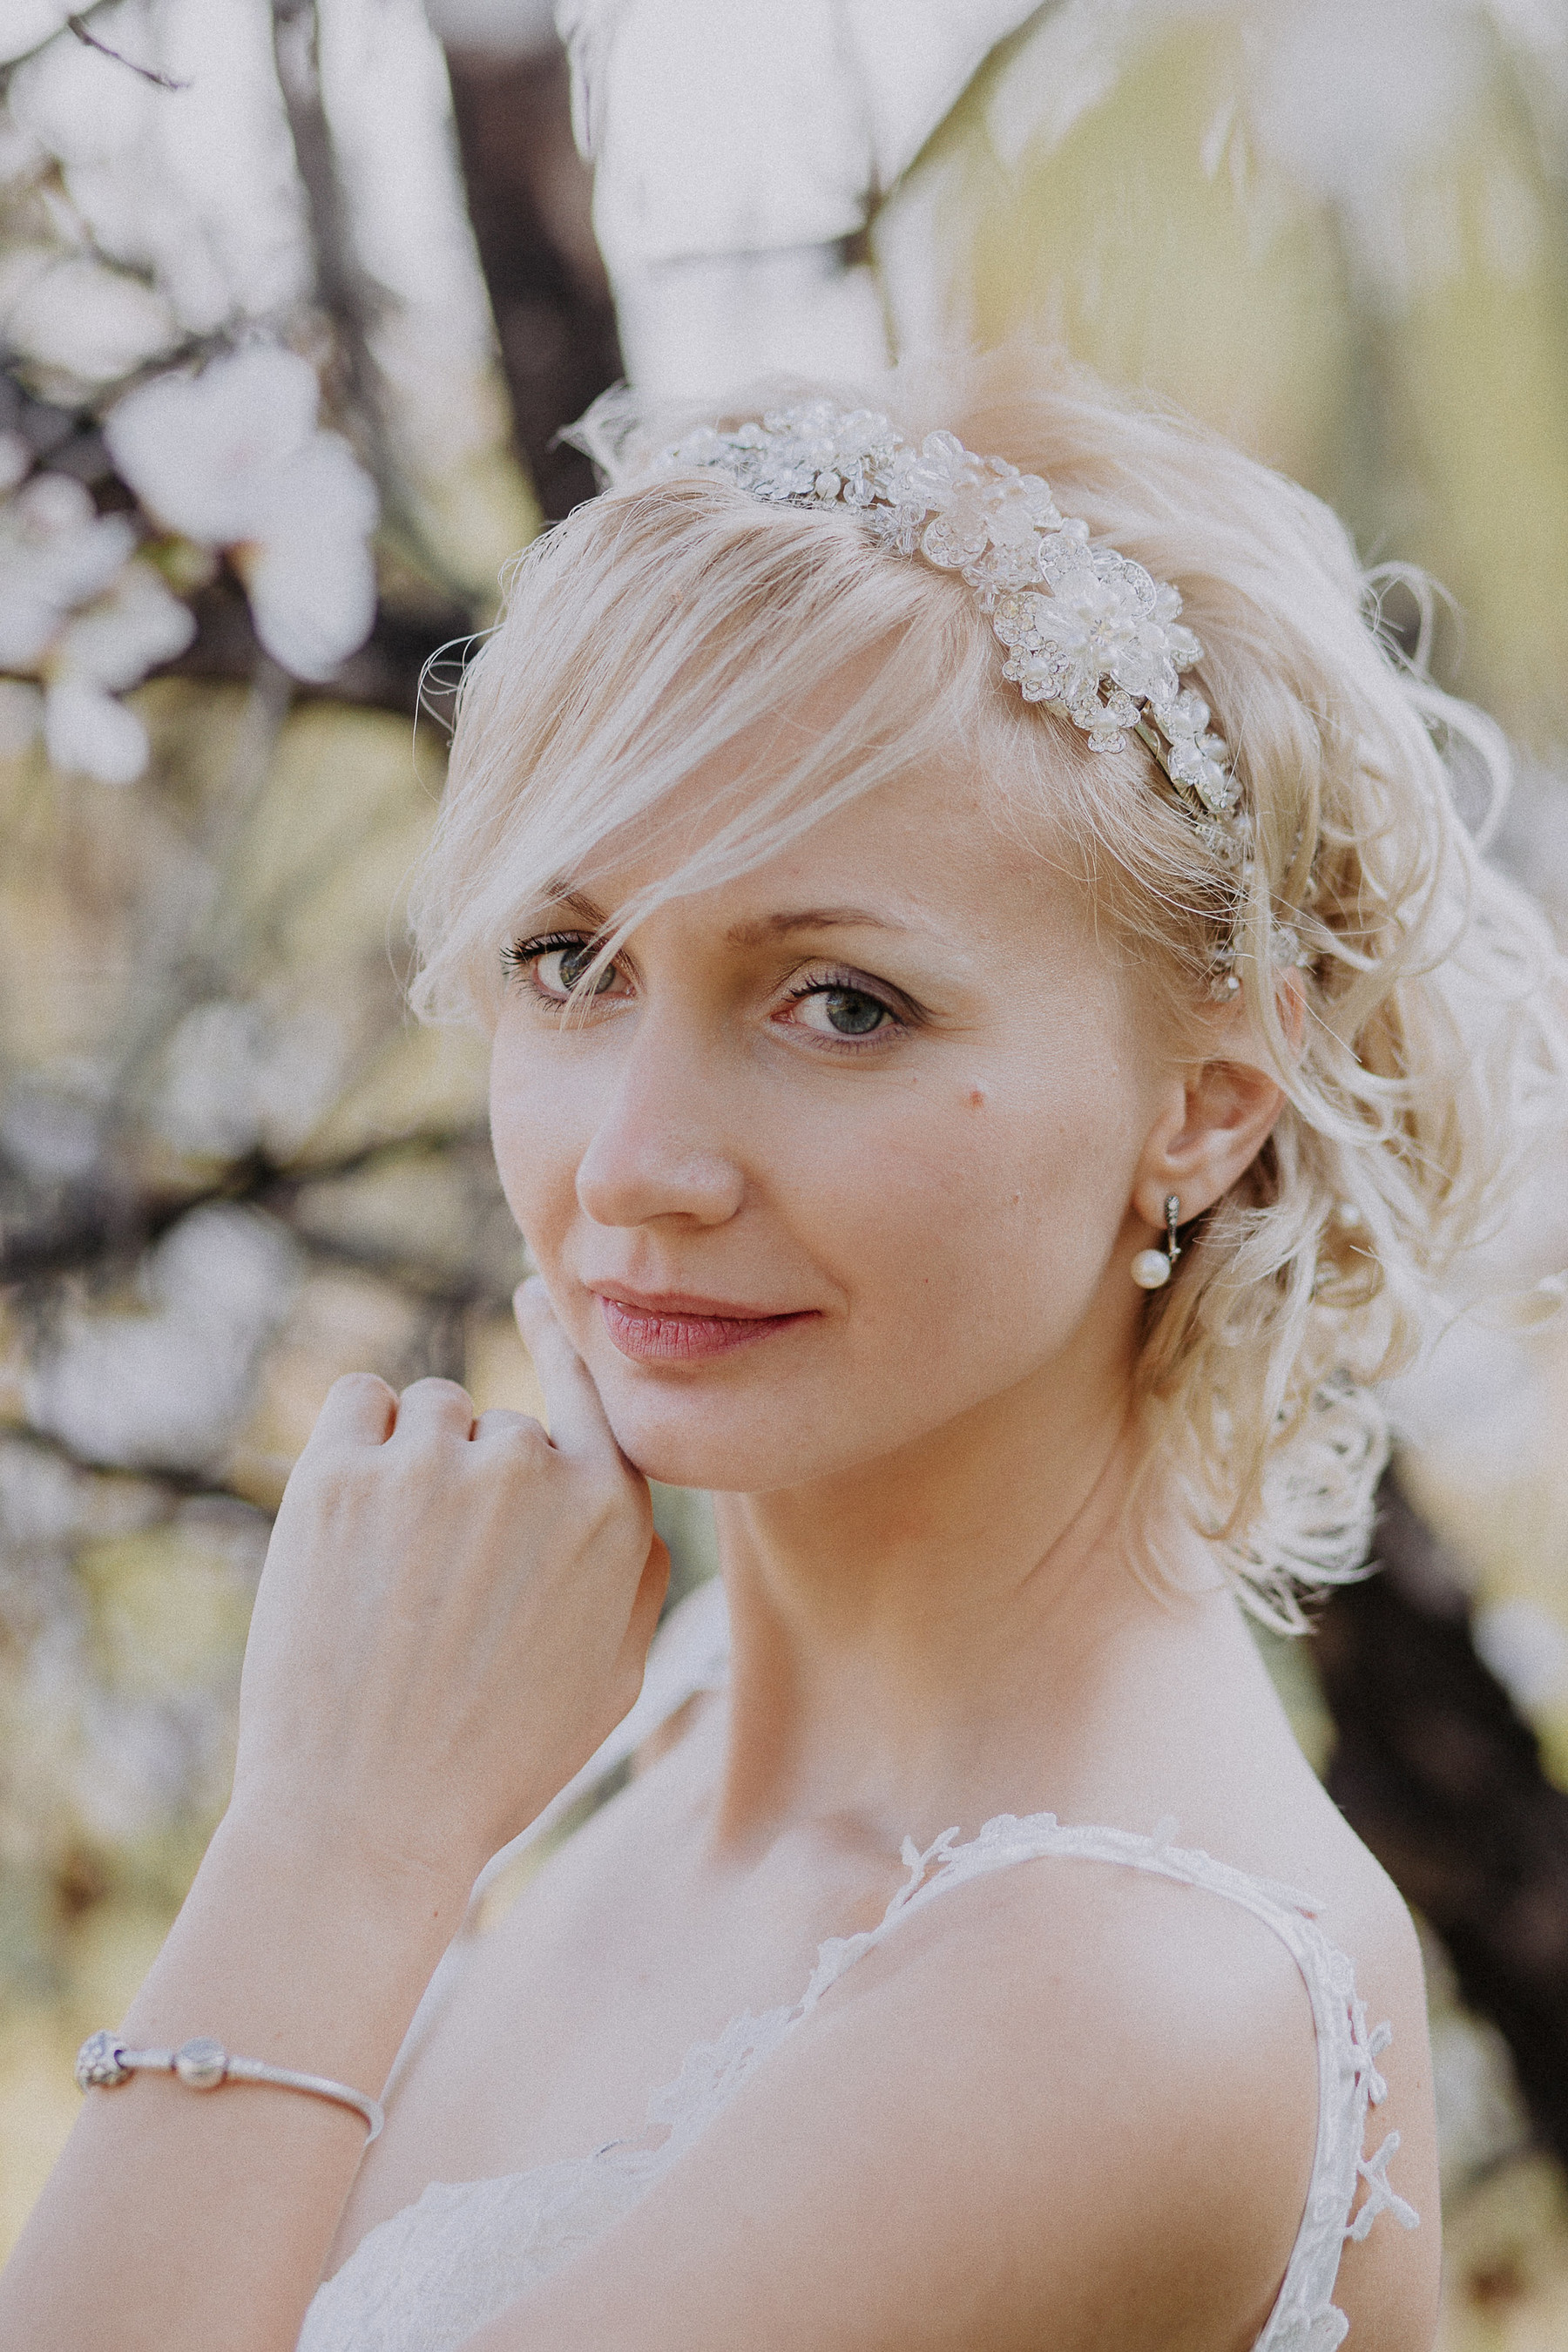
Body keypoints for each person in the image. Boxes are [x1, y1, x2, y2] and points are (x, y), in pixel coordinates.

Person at [3, 350, 1558, 2352]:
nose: (636, 1167)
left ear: (1208, 1102)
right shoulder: (671, 1703)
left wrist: (328, 1852)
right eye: (575, 963)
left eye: (841, 1005)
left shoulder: (1115, 1998)